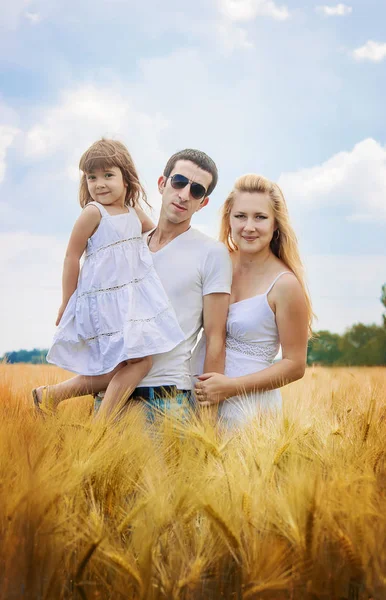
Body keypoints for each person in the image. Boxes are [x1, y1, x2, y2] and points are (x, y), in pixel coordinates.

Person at [32, 139, 184, 417]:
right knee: (141, 363)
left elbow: (159, 237)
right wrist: (67, 301)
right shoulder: (93, 213)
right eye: (92, 177)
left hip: (128, 302)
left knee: (119, 367)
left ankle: (50, 395)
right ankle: (102, 427)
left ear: (127, 179)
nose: (99, 183)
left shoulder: (134, 212)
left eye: (108, 175)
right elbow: (71, 257)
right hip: (105, 302)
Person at [95, 148, 232, 420]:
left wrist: (208, 417)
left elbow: (215, 338)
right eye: (179, 182)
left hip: (165, 402)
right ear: (162, 184)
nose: (184, 194)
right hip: (108, 395)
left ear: (203, 202)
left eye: (196, 190)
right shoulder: (130, 243)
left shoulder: (212, 253)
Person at [193, 174, 313, 428]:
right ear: (229, 219)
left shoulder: (285, 285)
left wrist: (231, 387)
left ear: (275, 225)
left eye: (260, 217)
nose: (249, 226)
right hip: (193, 401)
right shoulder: (216, 262)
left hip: (248, 414)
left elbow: (295, 365)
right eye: (240, 216)